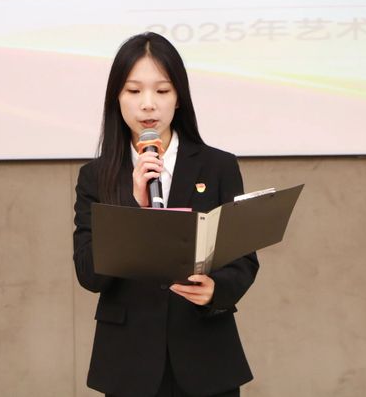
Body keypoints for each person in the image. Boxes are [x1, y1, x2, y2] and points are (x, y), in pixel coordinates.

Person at [73, 32, 259, 397]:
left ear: (179, 98)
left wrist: (216, 290)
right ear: (117, 98)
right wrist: (134, 206)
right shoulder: (95, 177)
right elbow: (89, 274)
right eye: (133, 91)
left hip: (206, 356)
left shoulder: (218, 166)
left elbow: (243, 259)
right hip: (129, 361)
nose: (148, 105)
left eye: (162, 91)